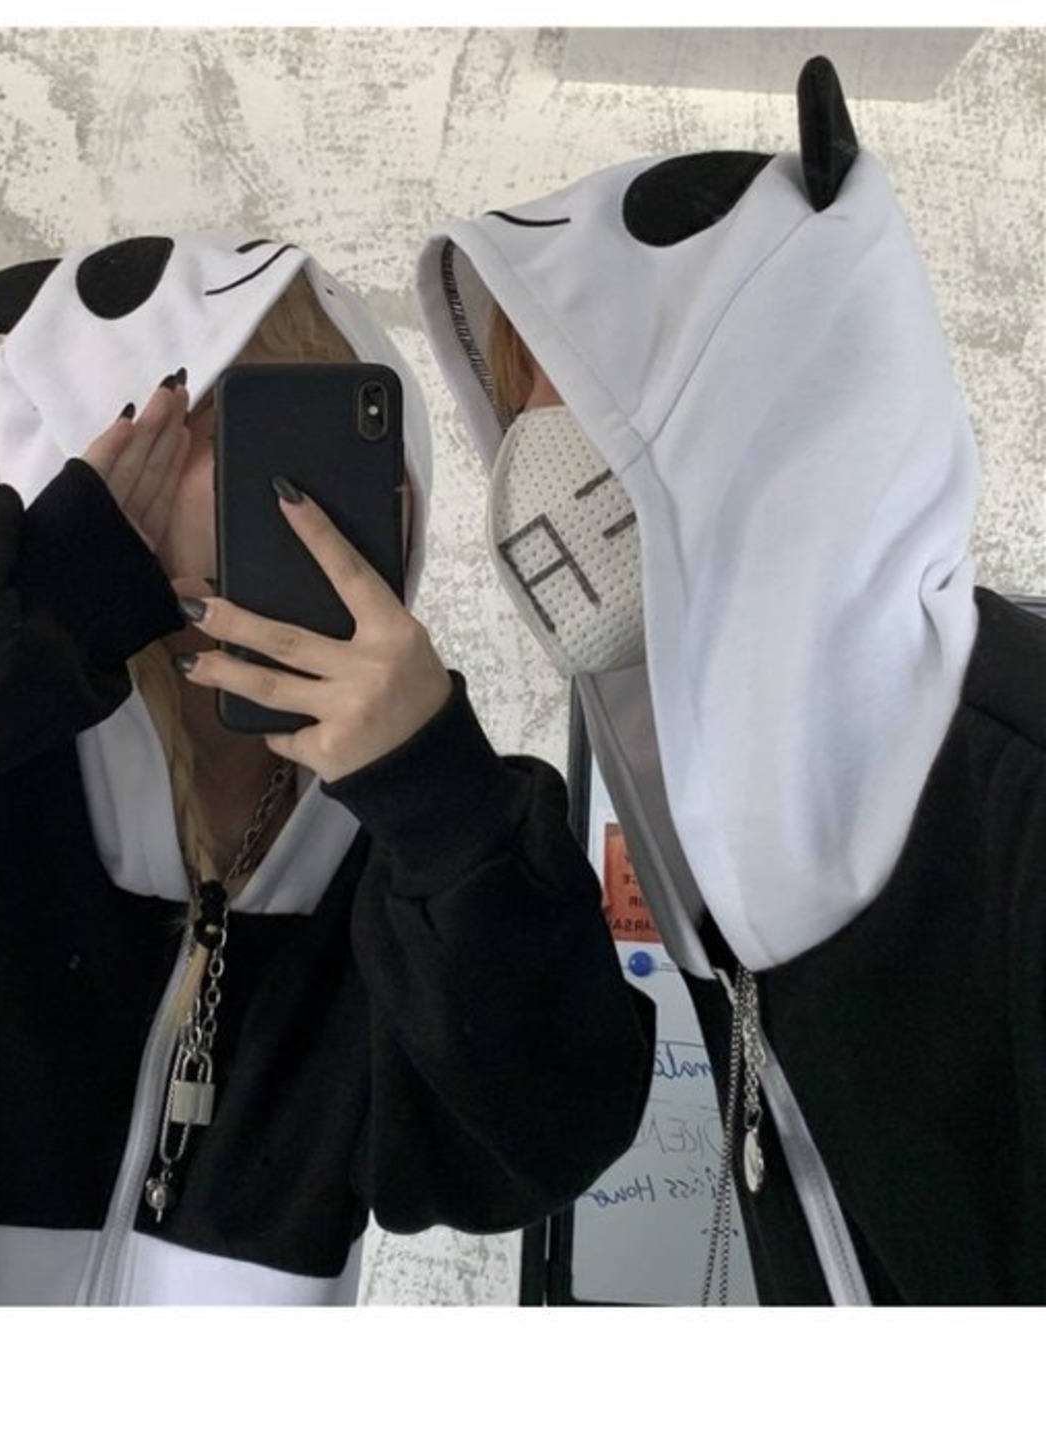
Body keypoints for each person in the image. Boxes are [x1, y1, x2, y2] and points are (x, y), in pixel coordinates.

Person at [0, 231, 655, 1305]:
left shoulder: (404, 861)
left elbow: (536, 1151)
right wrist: (41, 597)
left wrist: (439, 799)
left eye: (360, 444)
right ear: (110, 437)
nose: (302, 495)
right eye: (240, 426)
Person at [414, 57, 1045, 1304]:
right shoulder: (720, 818)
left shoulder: (1019, 794)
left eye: (592, 385)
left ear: (777, 395)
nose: (529, 455)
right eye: (517, 395)